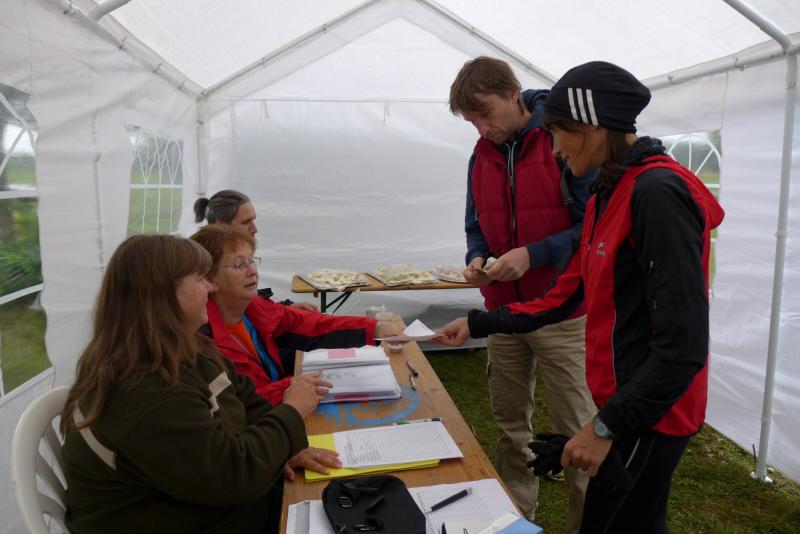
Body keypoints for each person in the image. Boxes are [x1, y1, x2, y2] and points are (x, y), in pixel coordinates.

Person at [437, 61, 725, 533]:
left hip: (653, 413)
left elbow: (684, 345)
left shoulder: (657, 193)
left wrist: (606, 426)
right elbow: (563, 297)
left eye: (558, 134)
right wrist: (478, 322)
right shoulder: (608, 193)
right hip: (625, 405)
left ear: (592, 128)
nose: (553, 149)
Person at [60, 234, 322, 534]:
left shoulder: (186, 349)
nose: (211, 288)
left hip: (224, 506)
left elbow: (244, 397)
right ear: (163, 295)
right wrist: (292, 412)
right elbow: (233, 477)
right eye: (201, 279)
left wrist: (283, 447)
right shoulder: (143, 390)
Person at [448, 56, 596, 529]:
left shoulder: (562, 139)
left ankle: (586, 522)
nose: (481, 128)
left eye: (485, 114)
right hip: (503, 312)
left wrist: (535, 254)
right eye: (471, 121)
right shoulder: (481, 155)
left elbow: (594, 226)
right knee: (510, 428)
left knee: (579, 434)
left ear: (513, 94)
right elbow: (476, 224)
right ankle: (517, 520)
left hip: (562, 314)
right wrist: (477, 257)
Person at [190, 224, 402, 406]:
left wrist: (374, 328)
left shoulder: (255, 308)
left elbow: (312, 324)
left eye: (252, 260)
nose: (252, 271)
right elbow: (239, 406)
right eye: (238, 265)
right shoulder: (202, 341)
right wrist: (292, 386)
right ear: (209, 278)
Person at [194, 189, 317, 312]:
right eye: (246, 222)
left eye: (250, 262)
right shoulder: (201, 271)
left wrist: (285, 308)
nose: (254, 229)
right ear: (222, 225)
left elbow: (250, 308)